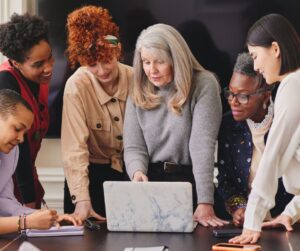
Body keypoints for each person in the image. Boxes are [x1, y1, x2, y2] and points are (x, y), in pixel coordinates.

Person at [124, 23, 228, 227]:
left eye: (159, 62)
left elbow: (202, 146)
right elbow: (134, 146)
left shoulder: (204, 84)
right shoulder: (138, 89)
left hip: (188, 183)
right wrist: (137, 173)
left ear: (176, 59)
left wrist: (205, 201)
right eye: (146, 62)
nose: (151, 70)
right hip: (149, 184)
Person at [229, 14, 300, 244]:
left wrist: (252, 220)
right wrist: (290, 212)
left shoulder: (293, 85)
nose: (256, 66)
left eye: (255, 55)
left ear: (276, 49)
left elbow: (273, 154)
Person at [62, 5, 133, 221]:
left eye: (106, 60)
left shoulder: (138, 79)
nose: (101, 71)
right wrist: (82, 200)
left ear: (117, 50)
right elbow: (74, 149)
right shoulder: (76, 86)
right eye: (92, 64)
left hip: (132, 175)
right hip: (89, 179)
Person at [217, 52, 293, 227]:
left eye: (243, 96)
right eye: (230, 93)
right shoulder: (228, 125)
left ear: (266, 96)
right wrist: (240, 208)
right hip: (247, 226)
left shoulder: (286, 120)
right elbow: (225, 179)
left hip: (288, 222)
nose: (233, 102)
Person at [0, 89, 81, 235]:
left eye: (24, 133)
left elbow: (6, 202)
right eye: (17, 128)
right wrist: (26, 222)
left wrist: (49, 218)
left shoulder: (12, 152)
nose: (21, 139)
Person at [0, 13, 54, 209]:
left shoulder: (40, 82)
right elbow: (18, 152)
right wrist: (29, 202)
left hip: (28, 181)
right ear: (16, 63)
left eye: (50, 58)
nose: (48, 68)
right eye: (38, 64)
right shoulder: (6, 82)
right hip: (12, 188)